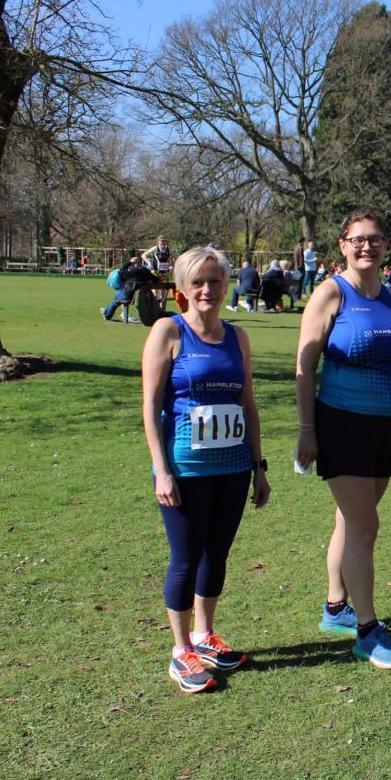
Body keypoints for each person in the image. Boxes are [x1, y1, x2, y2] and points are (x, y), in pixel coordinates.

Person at [141, 246, 271, 693]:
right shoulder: (167, 331)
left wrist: (259, 466)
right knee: (186, 556)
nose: (207, 290)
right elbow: (151, 405)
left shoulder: (237, 336)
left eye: (215, 281)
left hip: (232, 467)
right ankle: (181, 652)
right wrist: (161, 470)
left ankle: (204, 635)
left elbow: (248, 403)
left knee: (217, 554)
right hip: (185, 468)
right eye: (197, 281)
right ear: (181, 287)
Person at [295, 208, 391, 669]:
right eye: (357, 239)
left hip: (385, 428)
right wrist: (307, 431)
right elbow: (305, 368)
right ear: (343, 245)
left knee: (351, 521)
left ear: (386, 245)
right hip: (342, 424)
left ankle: (336, 608)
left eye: (376, 239)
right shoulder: (331, 294)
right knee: (365, 526)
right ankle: (367, 631)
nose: (367, 246)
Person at [102, 256, 156, 322]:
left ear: (134, 264)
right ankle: (109, 312)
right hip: (135, 296)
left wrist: (129, 262)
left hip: (127, 295)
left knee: (116, 299)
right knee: (120, 296)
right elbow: (156, 279)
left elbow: (121, 271)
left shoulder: (132, 272)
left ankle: (107, 314)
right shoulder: (146, 272)